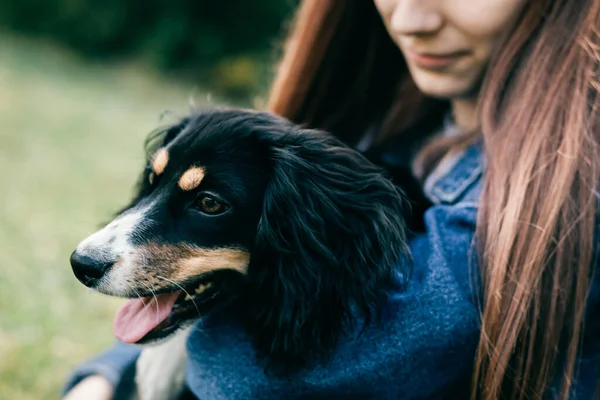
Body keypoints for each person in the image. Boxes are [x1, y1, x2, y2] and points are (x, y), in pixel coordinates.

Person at [63, 0, 600, 399]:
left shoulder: (565, 194)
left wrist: (158, 352)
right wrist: (106, 375)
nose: (410, 19)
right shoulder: (387, 121)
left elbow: (272, 373)